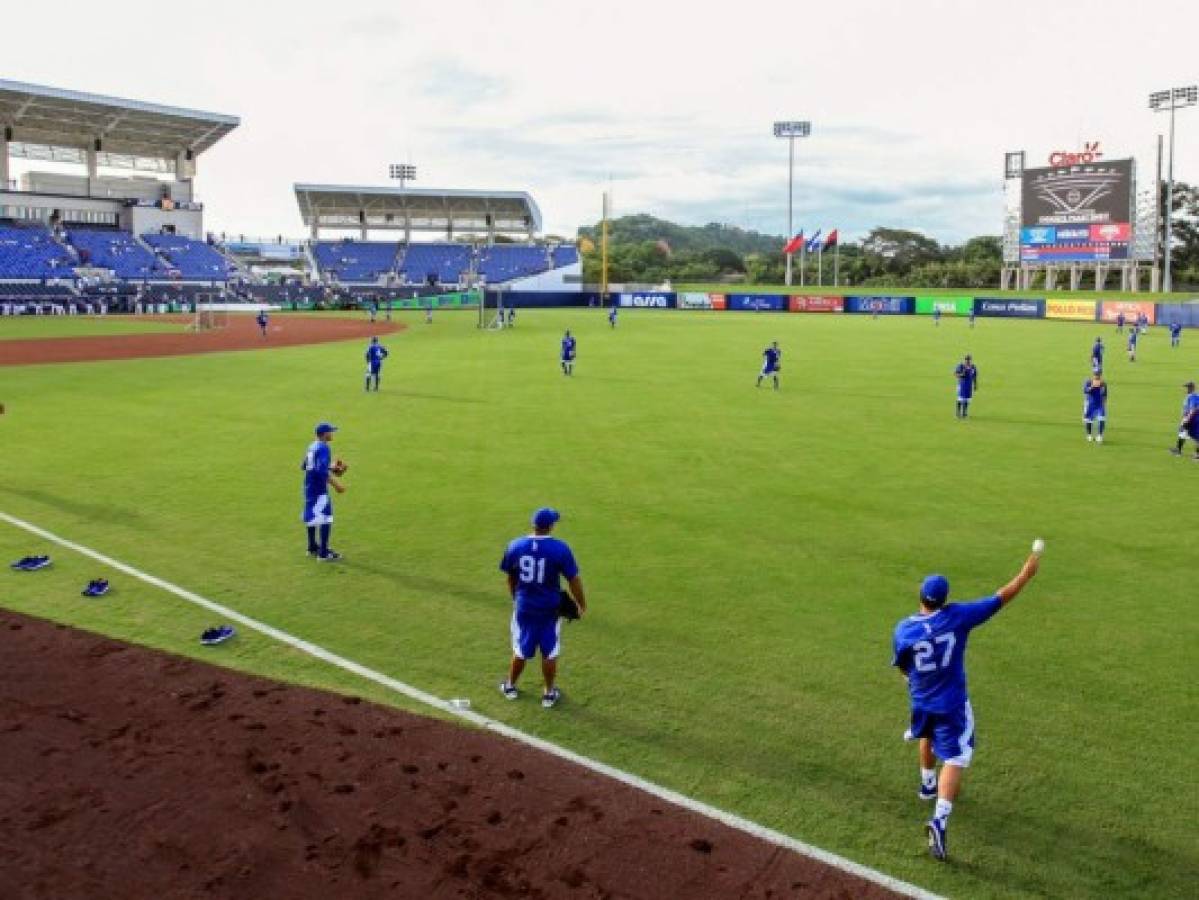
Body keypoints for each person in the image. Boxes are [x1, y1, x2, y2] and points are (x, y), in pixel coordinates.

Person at [892, 548, 1041, 861]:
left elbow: (903, 667)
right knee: (957, 756)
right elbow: (1000, 597)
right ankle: (939, 820)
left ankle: (926, 784)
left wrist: (914, 683)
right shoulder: (957, 617)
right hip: (952, 704)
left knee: (927, 734)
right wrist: (1026, 575)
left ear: (920, 595)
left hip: (921, 699)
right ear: (944, 599)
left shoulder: (903, 629)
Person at [498, 507, 587, 708]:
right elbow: (573, 579)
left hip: (524, 607)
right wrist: (581, 604)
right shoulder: (560, 549)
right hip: (550, 609)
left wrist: (517, 599)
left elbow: (510, 578)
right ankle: (548, 694)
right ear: (551, 526)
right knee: (549, 651)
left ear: (533, 525)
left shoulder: (515, 545)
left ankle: (510, 686)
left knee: (521, 648)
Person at [301, 422, 345, 561]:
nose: (332, 434)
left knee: (312, 517)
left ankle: (312, 546)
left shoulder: (312, 446)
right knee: (326, 518)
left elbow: (305, 466)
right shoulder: (324, 447)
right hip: (319, 490)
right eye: (330, 432)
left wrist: (331, 467)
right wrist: (336, 485)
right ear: (325, 434)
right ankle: (324, 554)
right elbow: (320, 471)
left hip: (308, 488)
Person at [1170, 381, 1199, 459]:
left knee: (1195, 437)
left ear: (1190, 388)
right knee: (1183, 434)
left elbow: (1193, 409)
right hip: (1190, 419)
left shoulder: (1193, 397)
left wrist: (1187, 420)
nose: (1185, 389)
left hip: (1191, 419)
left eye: (1186, 387)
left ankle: (1196, 455)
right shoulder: (1191, 396)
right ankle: (1178, 450)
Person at [1082, 372, 1108, 443]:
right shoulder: (1088, 382)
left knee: (1102, 419)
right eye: (1096, 375)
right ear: (1093, 375)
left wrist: (1104, 404)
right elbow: (1085, 391)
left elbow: (1105, 395)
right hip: (1090, 404)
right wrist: (1092, 387)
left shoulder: (1103, 384)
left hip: (1099, 404)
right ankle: (1089, 435)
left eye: (1098, 375)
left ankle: (1099, 435)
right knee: (1089, 420)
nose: (1097, 377)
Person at [954, 355, 978, 419]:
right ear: (964, 360)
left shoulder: (973, 367)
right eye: (966, 360)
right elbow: (955, 374)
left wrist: (975, 385)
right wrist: (961, 374)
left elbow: (974, 377)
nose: (967, 361)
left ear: (971, 360)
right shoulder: (961, 366)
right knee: (960, 399)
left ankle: (964, 413)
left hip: (969, 386)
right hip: (961, 385)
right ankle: (958, 413)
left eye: (969, 360)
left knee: (967, 400)